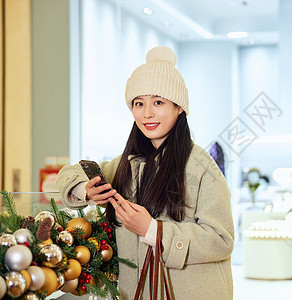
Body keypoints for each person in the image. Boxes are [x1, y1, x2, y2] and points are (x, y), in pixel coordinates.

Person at [56, 46, 234, 300]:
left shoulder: (202, 168)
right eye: (139, 103)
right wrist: (85, 190)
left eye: (158, 102)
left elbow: (221, 239)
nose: (147, 113)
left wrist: (152, 229)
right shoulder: (127, 164)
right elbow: (70, 173)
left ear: (179, 107)